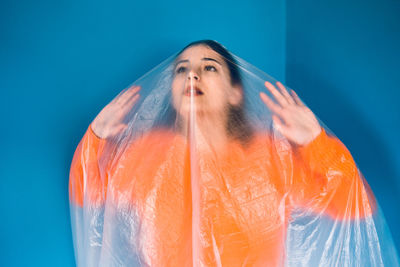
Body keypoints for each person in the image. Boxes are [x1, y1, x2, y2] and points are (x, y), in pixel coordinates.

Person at [69, 40, 392, 267]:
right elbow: (88, 196)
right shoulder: (145, 156)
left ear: (236, 92)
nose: (191, 75)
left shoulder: (271, 159)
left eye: (209, 68)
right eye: (181, 70)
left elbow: (355, 207)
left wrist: (316, 142)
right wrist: (95, 137)